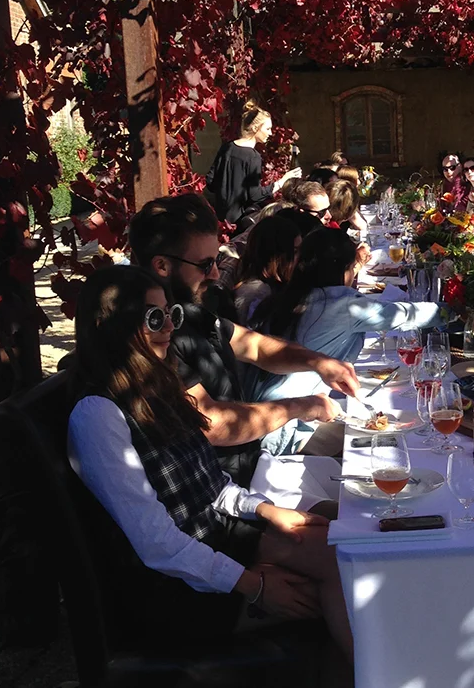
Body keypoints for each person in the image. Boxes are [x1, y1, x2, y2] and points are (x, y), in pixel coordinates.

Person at [67, 266, 353, 665]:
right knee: (339, 579)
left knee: (341, 538)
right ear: (109, 327)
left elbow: (209, 483)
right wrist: (255, 586)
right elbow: (156, 544)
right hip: (172, 586)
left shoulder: (159, 383)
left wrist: (267, 511)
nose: (169, 327)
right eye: (154, 317)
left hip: (215, 539)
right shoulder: (97, 413)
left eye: (171, 314)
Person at [128, 193, 359, 482]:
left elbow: (257, 347)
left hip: (250, 468)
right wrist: (301, 406)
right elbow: (212, 424)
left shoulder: (187, 312)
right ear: (162, 266)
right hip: (224, 491)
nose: (215, 274)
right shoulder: (151, 334)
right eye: (205, 264)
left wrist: (319, 362)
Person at [264, 228, 447, 364]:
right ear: (339, 270)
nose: (354, 273)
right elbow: (406, 315)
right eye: (353, 268)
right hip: (304, 400)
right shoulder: (341, 306)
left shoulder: (289, 295)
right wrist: (454, 310)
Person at [205, 101, 277, 232]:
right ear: (256, 128)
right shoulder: (253, 157)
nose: (270, 133)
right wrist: (279, 184)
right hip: (239, 225)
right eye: (267, 129)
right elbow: (255, 195)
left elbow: (210, 181)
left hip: (219, 221)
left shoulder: (227, 148)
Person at [233, 215, 302, 327]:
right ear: (275, 256)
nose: (300, 257)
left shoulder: (271, 287)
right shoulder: (257, 293)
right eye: (294, 251)